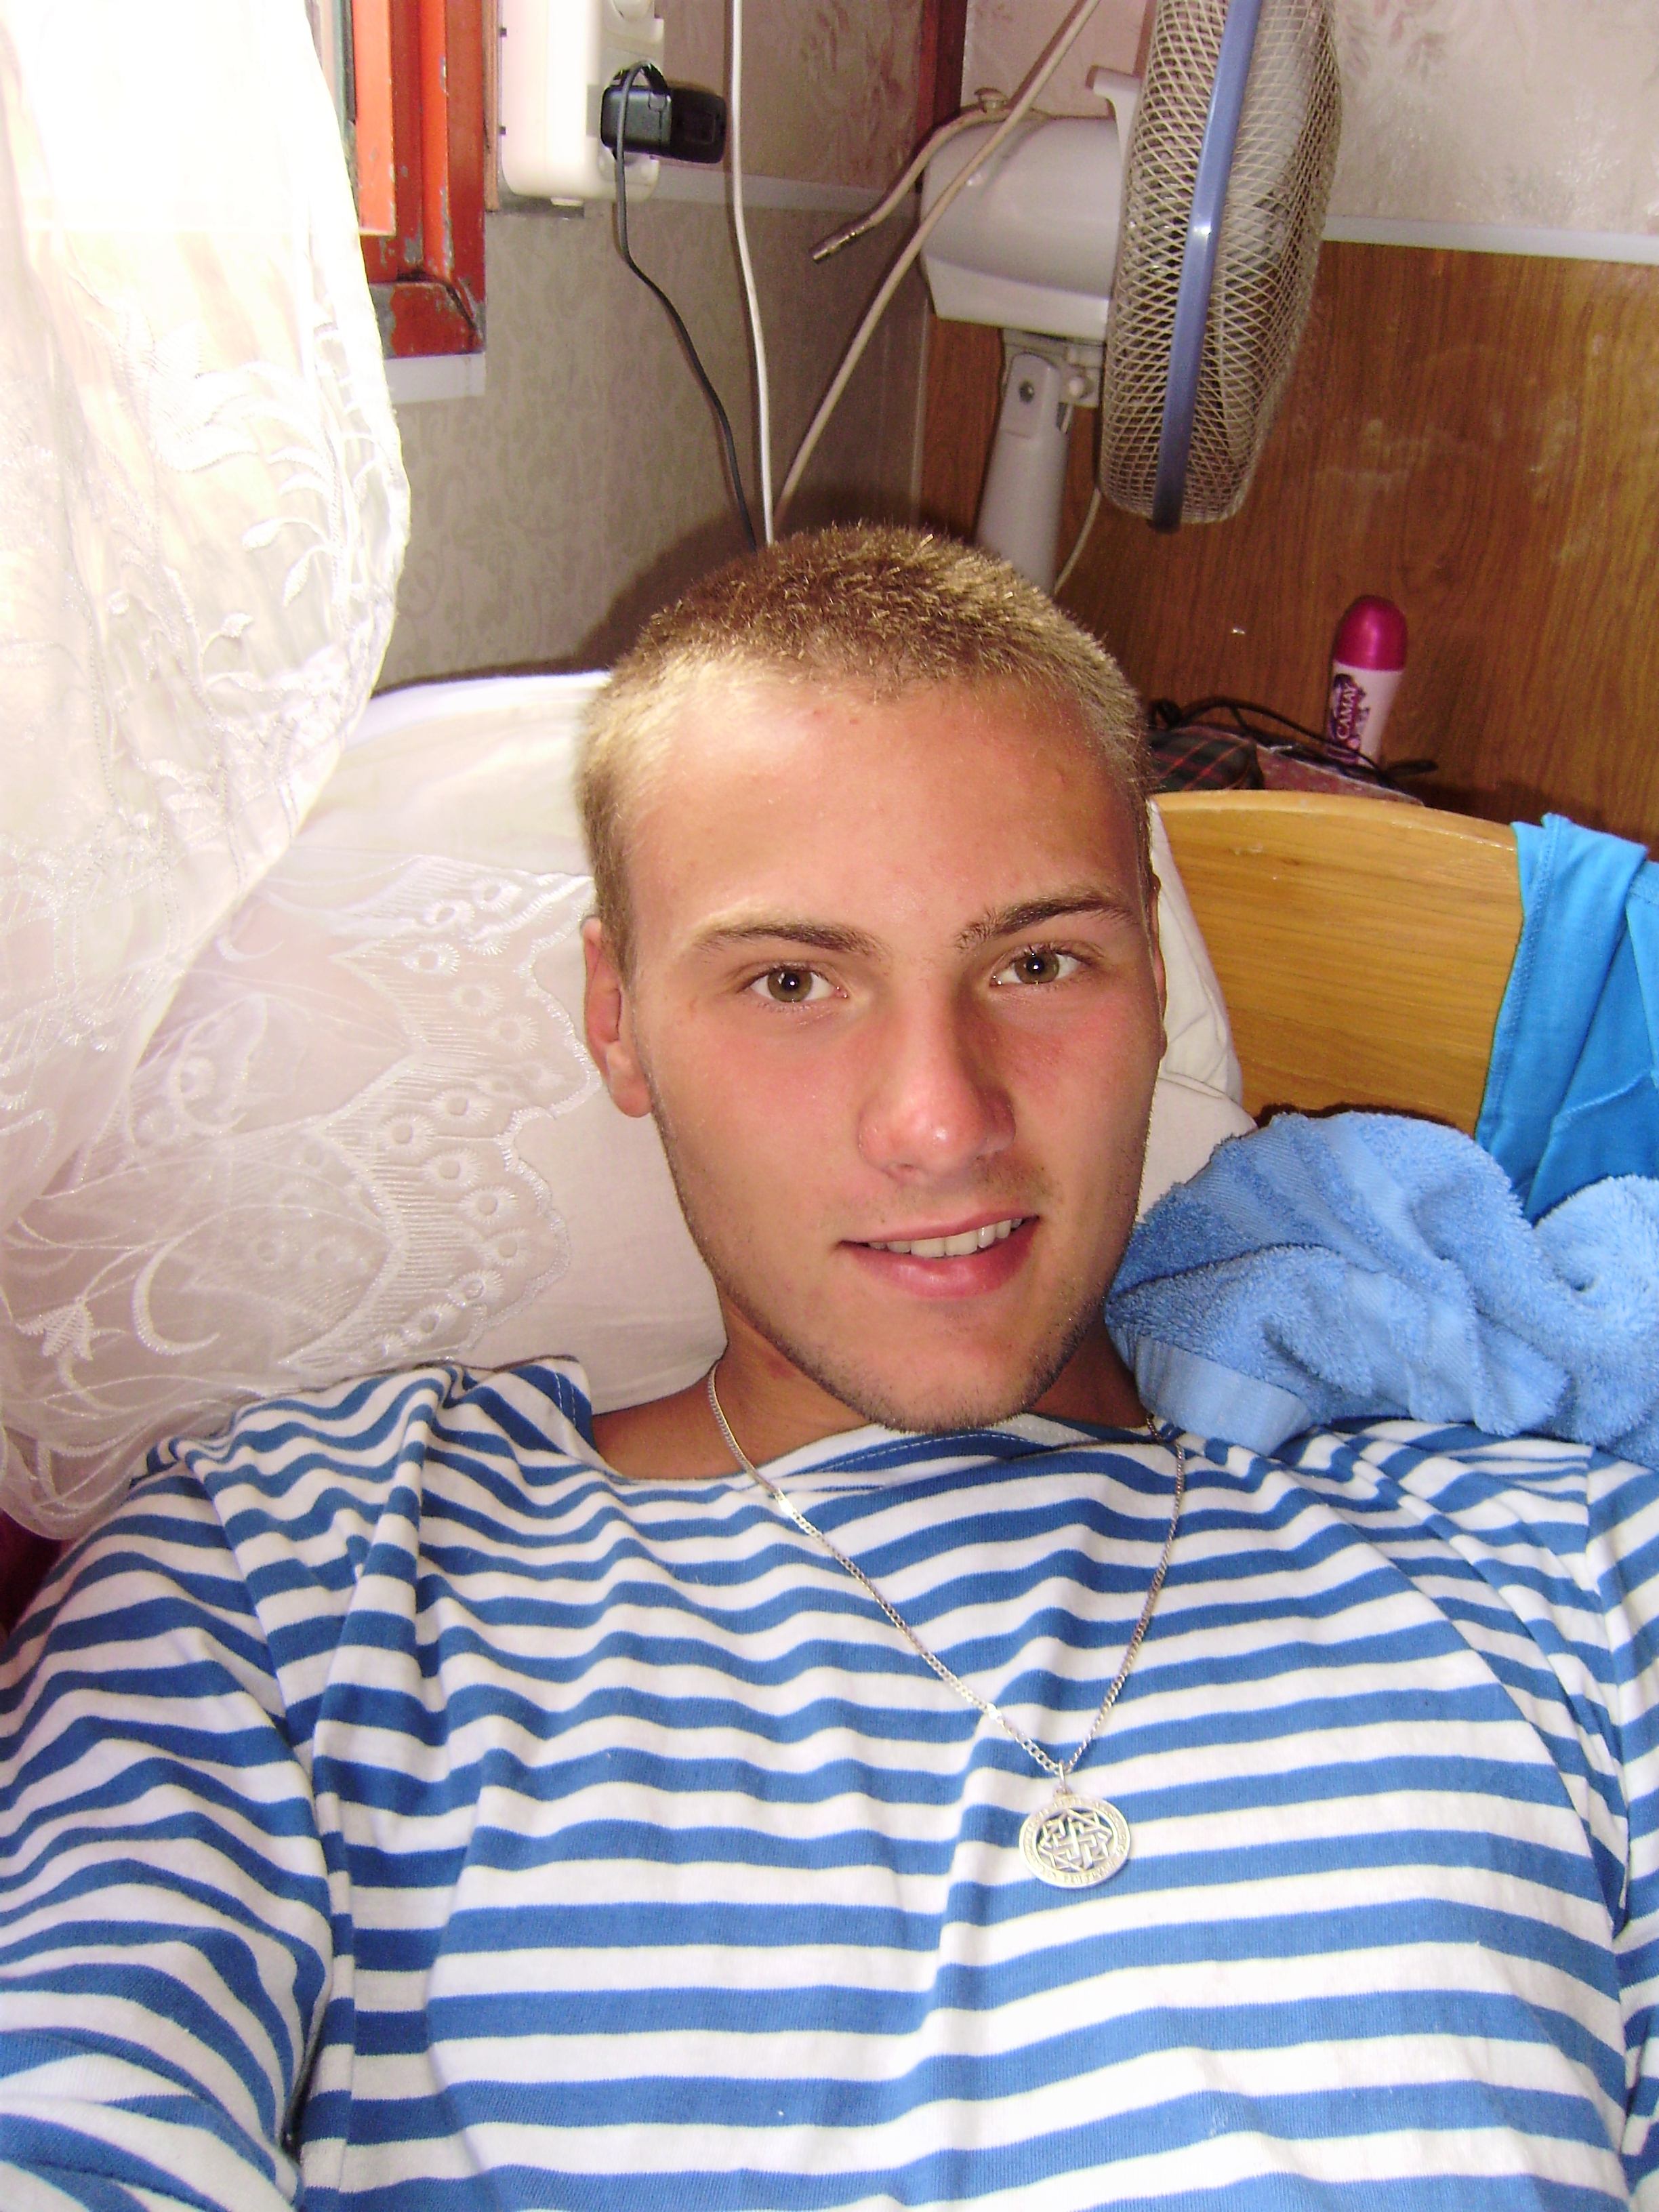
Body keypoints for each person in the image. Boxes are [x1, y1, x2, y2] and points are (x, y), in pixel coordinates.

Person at [0, 527, 1653, 2211]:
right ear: (619, 1021)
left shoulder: (1570, 1578)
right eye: (792, 980)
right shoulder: (286, 1583)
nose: (938, 1120)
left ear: (1155, 980)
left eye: (1037, 963)